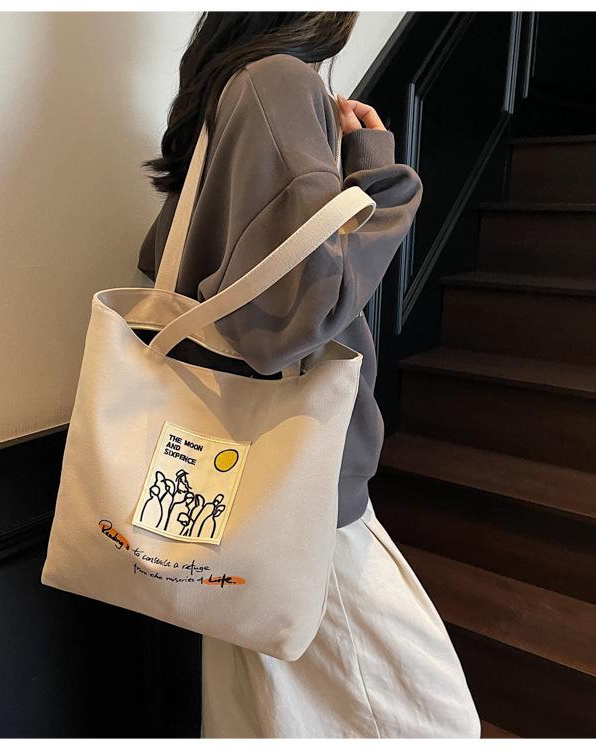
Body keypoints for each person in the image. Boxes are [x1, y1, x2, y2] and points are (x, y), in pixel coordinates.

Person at [138, 11, 481, 739]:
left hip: (223, 483)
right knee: (434, 720)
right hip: (300, 485)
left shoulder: (223, 95)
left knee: (265, 716)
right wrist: (379, 174)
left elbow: (184, 267)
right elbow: (297, 306)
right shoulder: (280, 83)